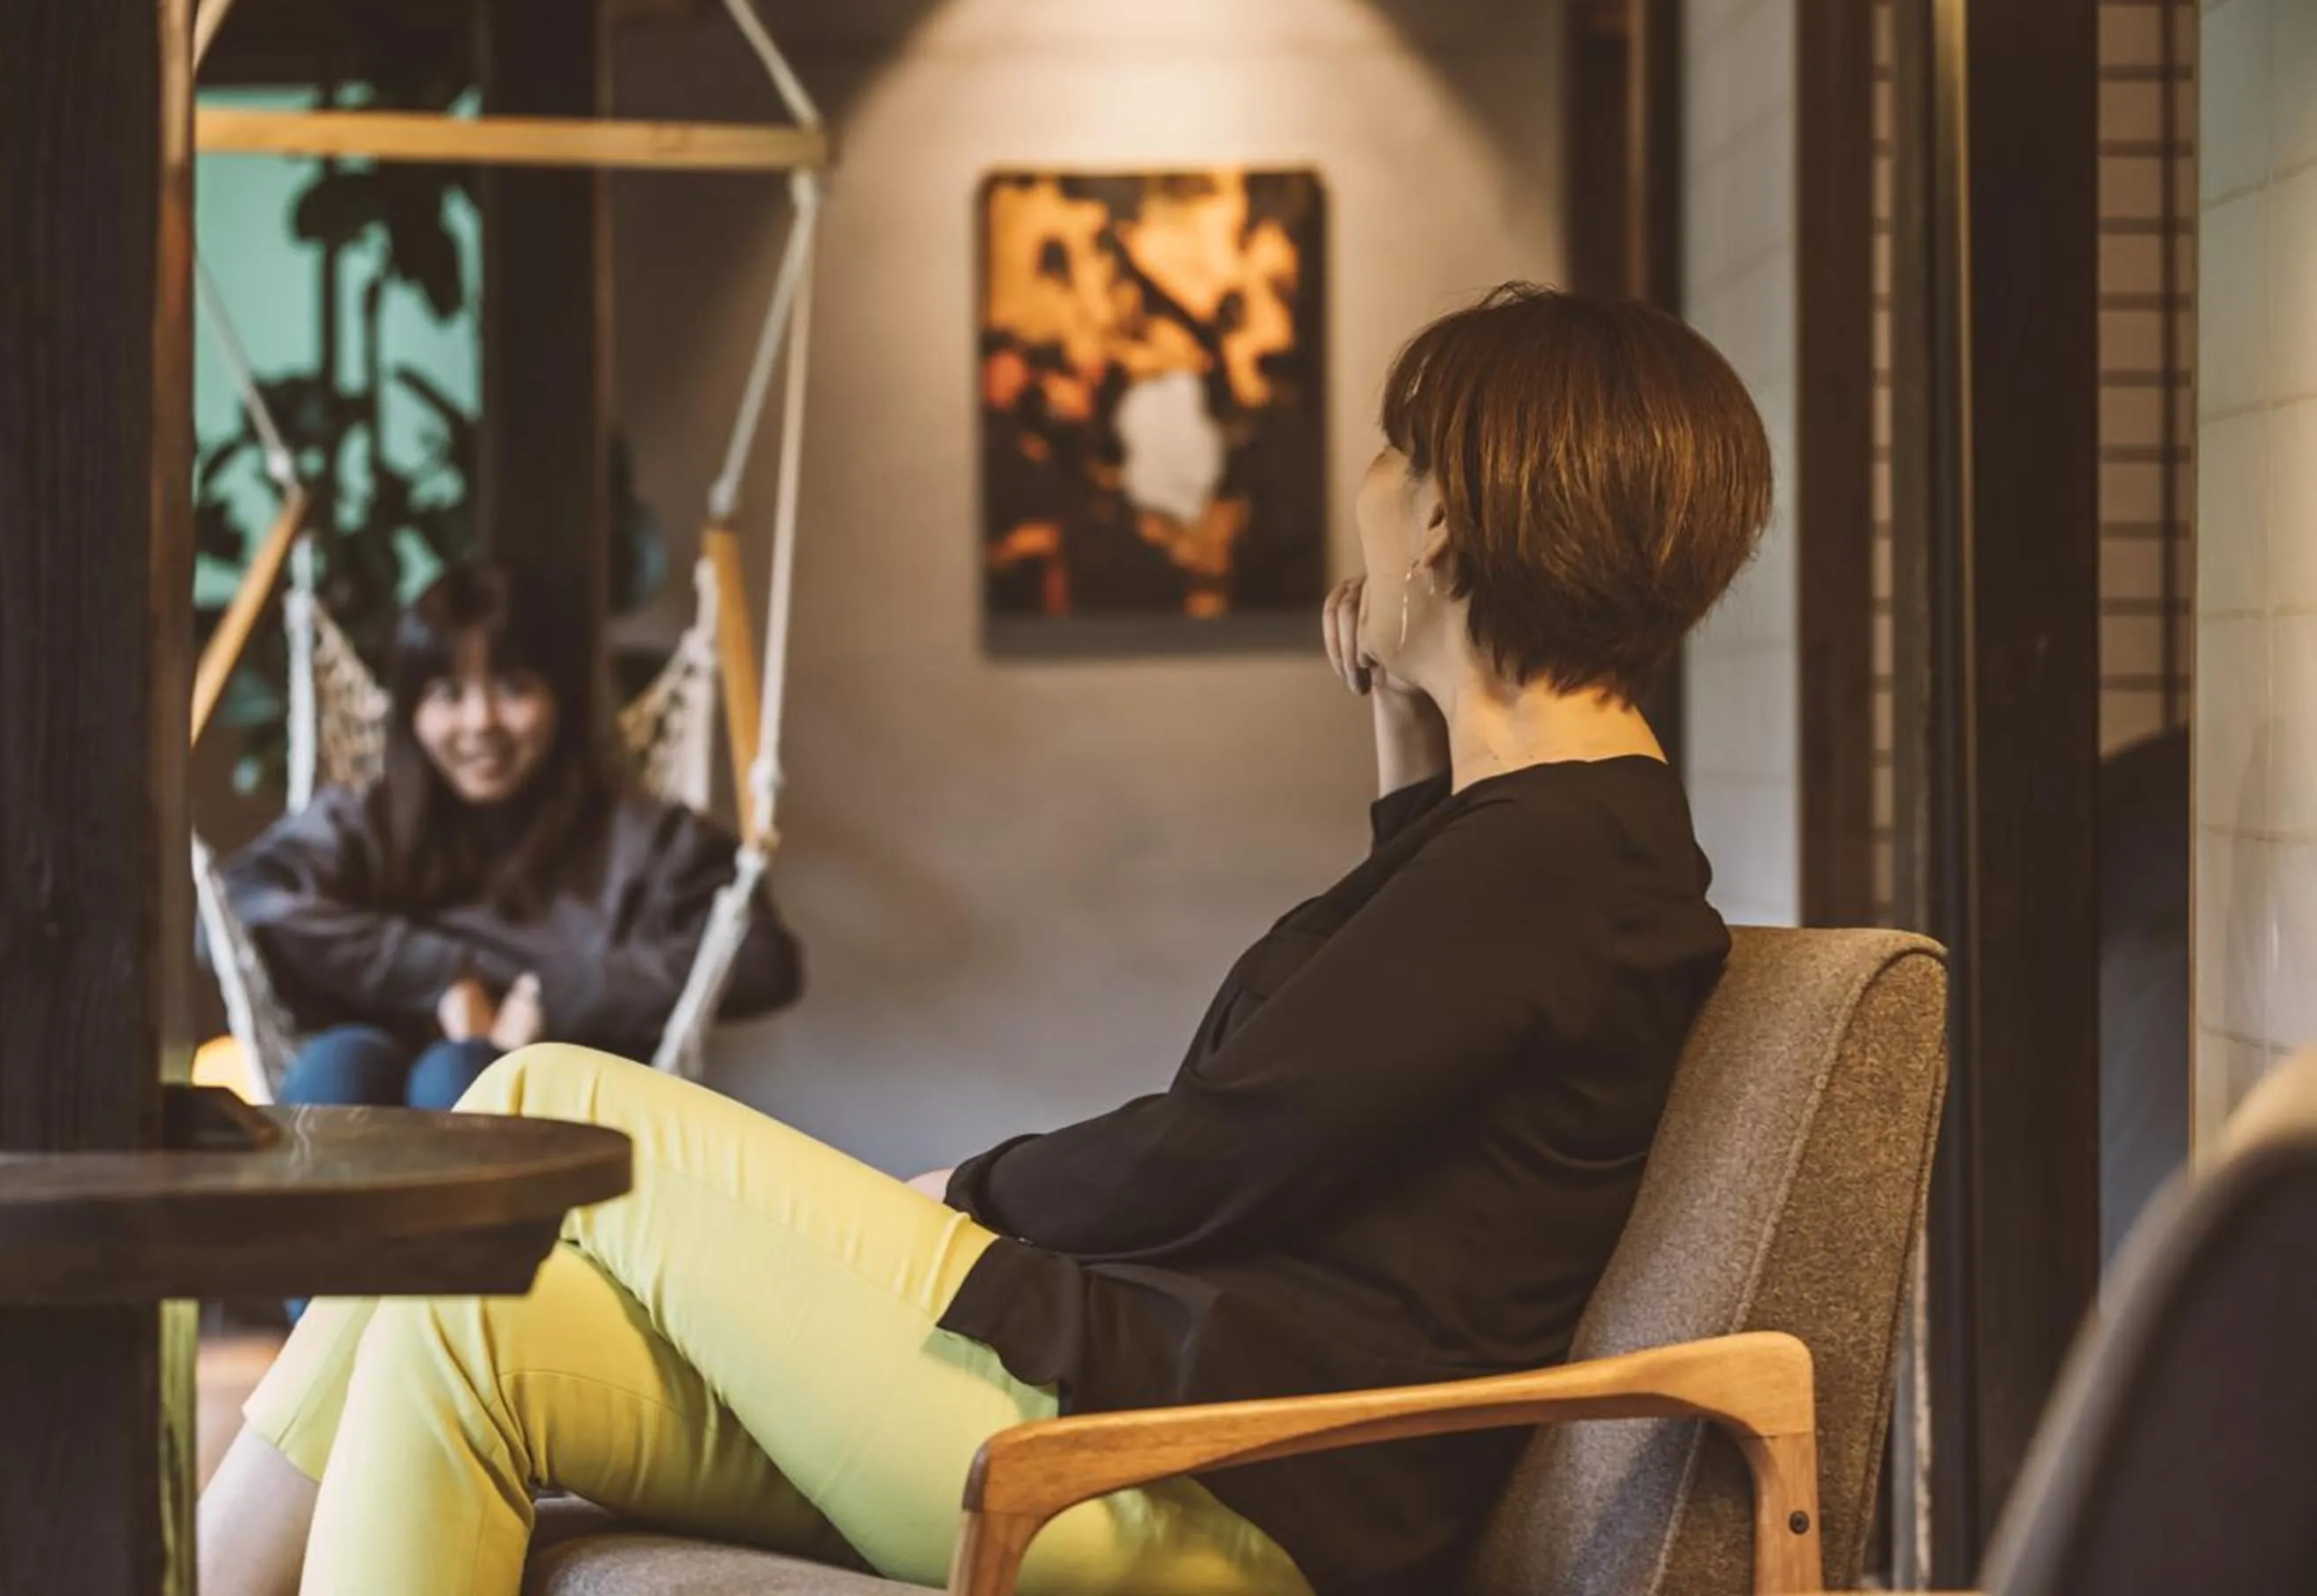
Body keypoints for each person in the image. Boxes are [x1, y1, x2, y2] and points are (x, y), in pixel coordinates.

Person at [200, 284, 1773, 1596]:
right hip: (1188, 1439)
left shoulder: (1554, 867)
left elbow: (1222, 1151)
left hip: (1199, 1493)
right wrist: (1401, 725)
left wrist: (960, 1195)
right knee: (463, 1322)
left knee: (554, 1096)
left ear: (1443, 521)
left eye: (1395, 446)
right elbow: (1376, 1047)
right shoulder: (1556, 852)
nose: (1365, 481)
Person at [214, 557, 804, 1115]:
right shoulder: (365, 822)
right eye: (448, 693)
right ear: (411, 712)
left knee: (461, 1073)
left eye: (513, 687)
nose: (480, 722)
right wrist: (443, 976)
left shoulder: (641, 839)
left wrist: (548, 996)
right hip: (368, 1081)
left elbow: (761, 957)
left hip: (550, 1105)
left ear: (561, 701)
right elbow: (241, 905)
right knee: (339, 1062)